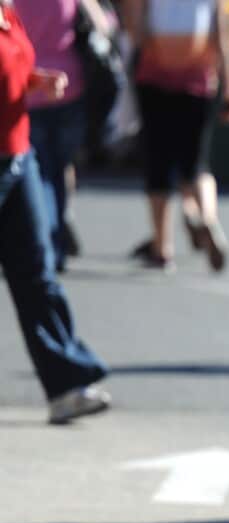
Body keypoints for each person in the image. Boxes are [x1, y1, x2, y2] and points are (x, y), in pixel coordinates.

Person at [1, 0, 111, 423]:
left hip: (17, 155)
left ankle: (66, 383)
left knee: (37, 272)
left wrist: (31, 81)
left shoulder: (7, 11)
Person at [119, 0, 229, 272]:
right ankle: (208, 217)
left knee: (158, 163)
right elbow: (223, 40)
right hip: (198, 80)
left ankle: (162, 248)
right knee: (197, 163)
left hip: (155, 78)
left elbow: (136, 30)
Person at [14, 0, 112, 272]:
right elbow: (103, 25)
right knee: (58, 170)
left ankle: (47, 240)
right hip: (68, 85)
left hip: (32, 90)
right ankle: (55, 239)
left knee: (41, 172)